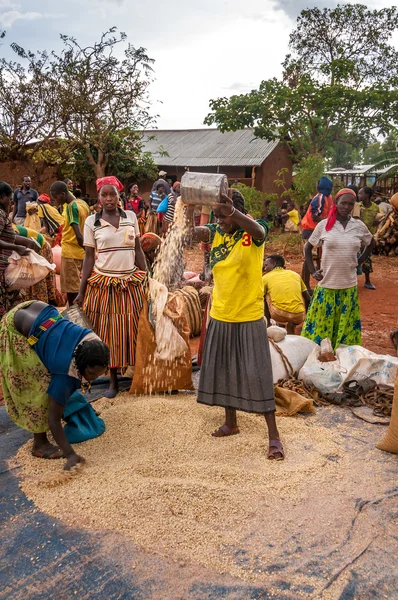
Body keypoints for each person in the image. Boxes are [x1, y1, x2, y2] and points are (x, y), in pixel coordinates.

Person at [187, 189, 284, 460]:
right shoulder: (216, 231)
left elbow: (260, 232)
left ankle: (274, 436)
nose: (219, 221)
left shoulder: (252, 232)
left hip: (249, 314)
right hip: (221, 311)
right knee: (225, 368)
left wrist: (232, 213)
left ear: (234, 211)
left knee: (258, 373)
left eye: (223, 216)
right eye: (216, 216)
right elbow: (189, 234)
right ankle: (232, 422)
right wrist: (188, 205)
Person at [0, 300, 109, 469]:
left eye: (99, 374)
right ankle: (39, 443)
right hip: (16, 326)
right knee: (37, 387)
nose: (94, 378)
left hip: (39, 311)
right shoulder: (64, 372)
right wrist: (70, 454)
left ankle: (70, 408)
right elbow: (54, 421)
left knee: (56, 382)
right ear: (81, 366)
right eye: (92, 374)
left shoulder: (94, 344)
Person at [75, 176, 147, 398]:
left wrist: (147, 276)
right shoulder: (91, 222)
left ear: (119, 196)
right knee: (109, 333)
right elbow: (88, 258)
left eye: (112, 194)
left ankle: (138, 375)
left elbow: (137, 249)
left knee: (135, 328)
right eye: (104, 195)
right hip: (105, 284)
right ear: (98, 198)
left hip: (130, 282)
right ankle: (113, 381)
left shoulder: (131, 217)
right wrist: (81, 288)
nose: (108, 199)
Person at [301, 188, 375, 349]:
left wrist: (360, 260)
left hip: (348, 286)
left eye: (350, 204)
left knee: (345, 332)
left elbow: (371, 242)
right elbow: (308, 248)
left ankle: (341, 356)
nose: (346, 207)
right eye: (343, 203)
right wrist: (313, 271)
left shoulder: (358, 226)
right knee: (321, 329)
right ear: (336, 203)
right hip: (327, 285)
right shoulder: (324, 225)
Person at [0, 181, 39, 319]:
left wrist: (25, 242)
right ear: (2, 197)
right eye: (10, 199)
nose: (11, 203)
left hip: (5, 266)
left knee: (15, 302)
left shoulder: (3, 215)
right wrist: (16, 248)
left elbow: (9, 235)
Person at [50, 181, 90, 306]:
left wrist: (90, 252)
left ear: (62, 194)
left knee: (72, 291)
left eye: (56, 198)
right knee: (78, 285)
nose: (56, 201)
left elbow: (78, 234)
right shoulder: (83, 204)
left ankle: (75, 317)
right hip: (80, 253)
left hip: (71, 252)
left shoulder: (71, 207)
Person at [301, 176, 334, 292]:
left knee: (318, 256)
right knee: (309, 256)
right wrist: (330, 222)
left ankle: (319, 281)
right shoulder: (322, 197)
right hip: (311, 230)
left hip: (317, 230)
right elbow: (315, 216)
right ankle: (305, 285)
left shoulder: (325, 197)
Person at [263, 254, 311, 334]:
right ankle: (292, 324)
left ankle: (269, 324)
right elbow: (308, 299)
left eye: (266, 265)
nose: (265, 268)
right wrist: (308, 320)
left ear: (274, 264)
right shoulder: (295, 275)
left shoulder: (266, 277)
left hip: (279, 314)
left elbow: (258, 298)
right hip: (299, 316)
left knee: (265, 294)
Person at [12, 224, 57, 305]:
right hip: (29, 247)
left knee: (37, 278)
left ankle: (42, 304)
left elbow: (31, 244)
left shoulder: (11, 232)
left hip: (40, 246)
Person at [358, 186, 379, 290]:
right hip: (356, 237)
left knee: (366, 259)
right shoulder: (357, 206)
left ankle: (367, 280)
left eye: (360, 193)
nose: (359, 195)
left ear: (367, 195)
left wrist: (378, 222)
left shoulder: (375, 208)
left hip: (368, 237)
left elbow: (379, 219)